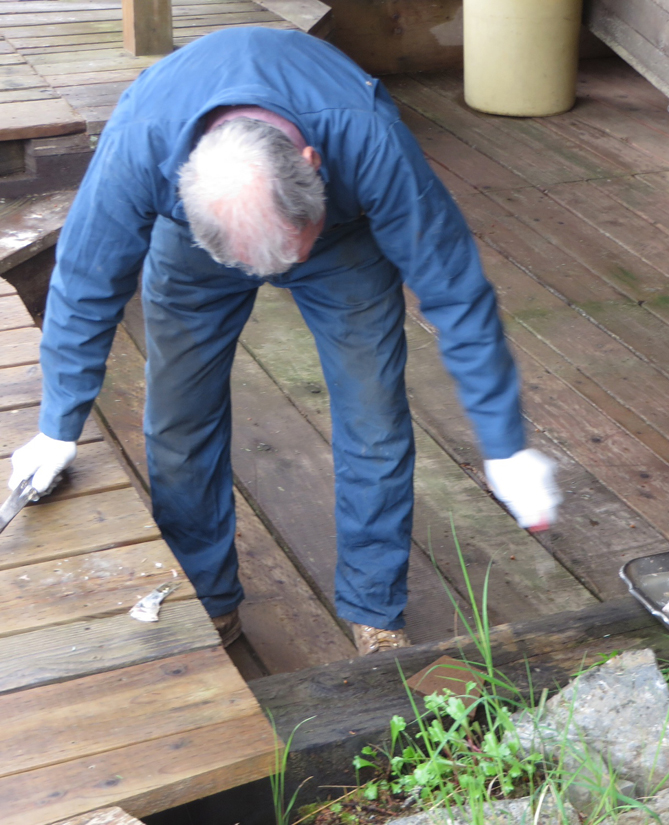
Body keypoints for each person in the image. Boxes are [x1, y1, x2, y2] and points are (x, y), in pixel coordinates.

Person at [5, 27, 560, 655]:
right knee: (177, 420)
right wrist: (58, 424)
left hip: (341, 242)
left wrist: (505, 445)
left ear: (312, 167)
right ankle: (207, 597)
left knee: (373, 418)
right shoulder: (141, 141)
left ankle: (375, 610)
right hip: (194, 252)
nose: (271, 280)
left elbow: (454, 286)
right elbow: (84, 282)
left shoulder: (366, 136)